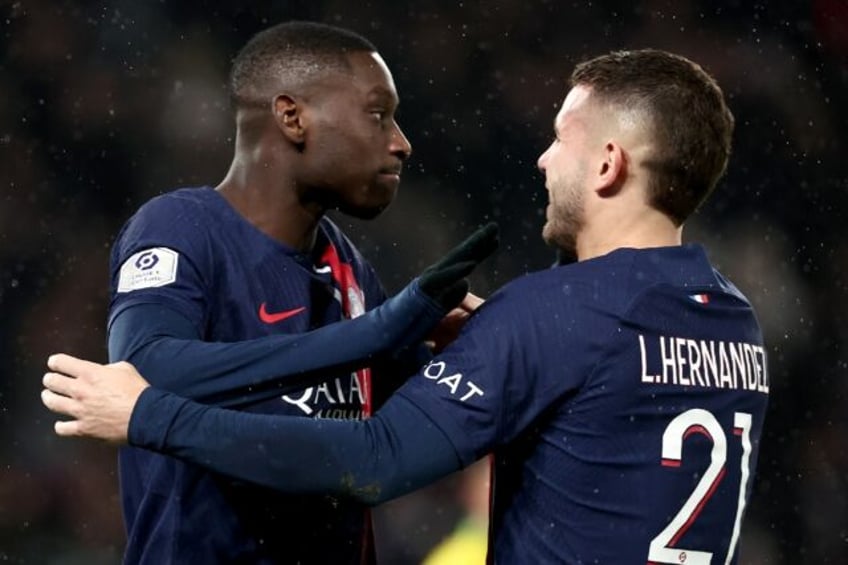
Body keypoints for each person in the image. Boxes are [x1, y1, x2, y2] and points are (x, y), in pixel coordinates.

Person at [43, 49, 770, 563]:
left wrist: (150, 415)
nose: (544, 159)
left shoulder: (551, 313)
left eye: (559, 140)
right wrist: (409, 344)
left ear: (608, 163)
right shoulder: (736, 321)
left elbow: (376, 457)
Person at [51, 20, 499, 565]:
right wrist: (382, 329)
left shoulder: (346, 265)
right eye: (378, 114)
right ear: (292, 117)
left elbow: (377, 438)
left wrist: (443, 355)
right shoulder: (180, 227)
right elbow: (148, 369)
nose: (401, 142)